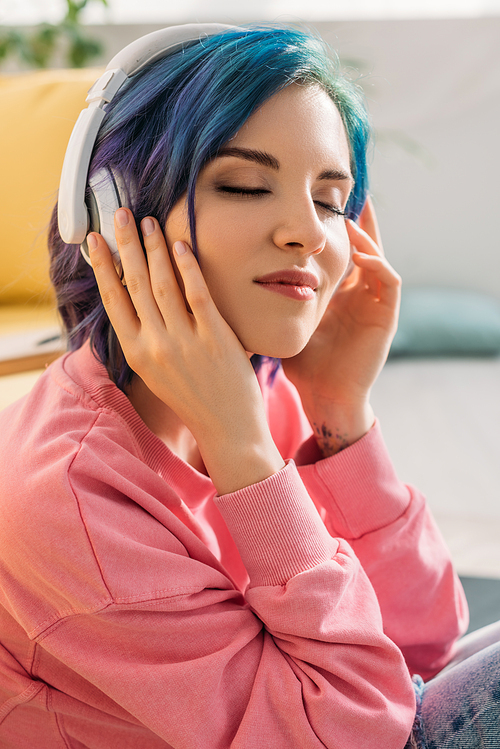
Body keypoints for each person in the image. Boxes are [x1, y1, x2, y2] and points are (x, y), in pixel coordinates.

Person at [0, 21, 497, 749]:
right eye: (244, 184)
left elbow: (417, 642)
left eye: (331, 200)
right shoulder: (71, 502)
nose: (305, 230)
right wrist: (246, 453)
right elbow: (362, 732)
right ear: (112, 215)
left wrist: (341, 416)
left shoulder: (258, 390)